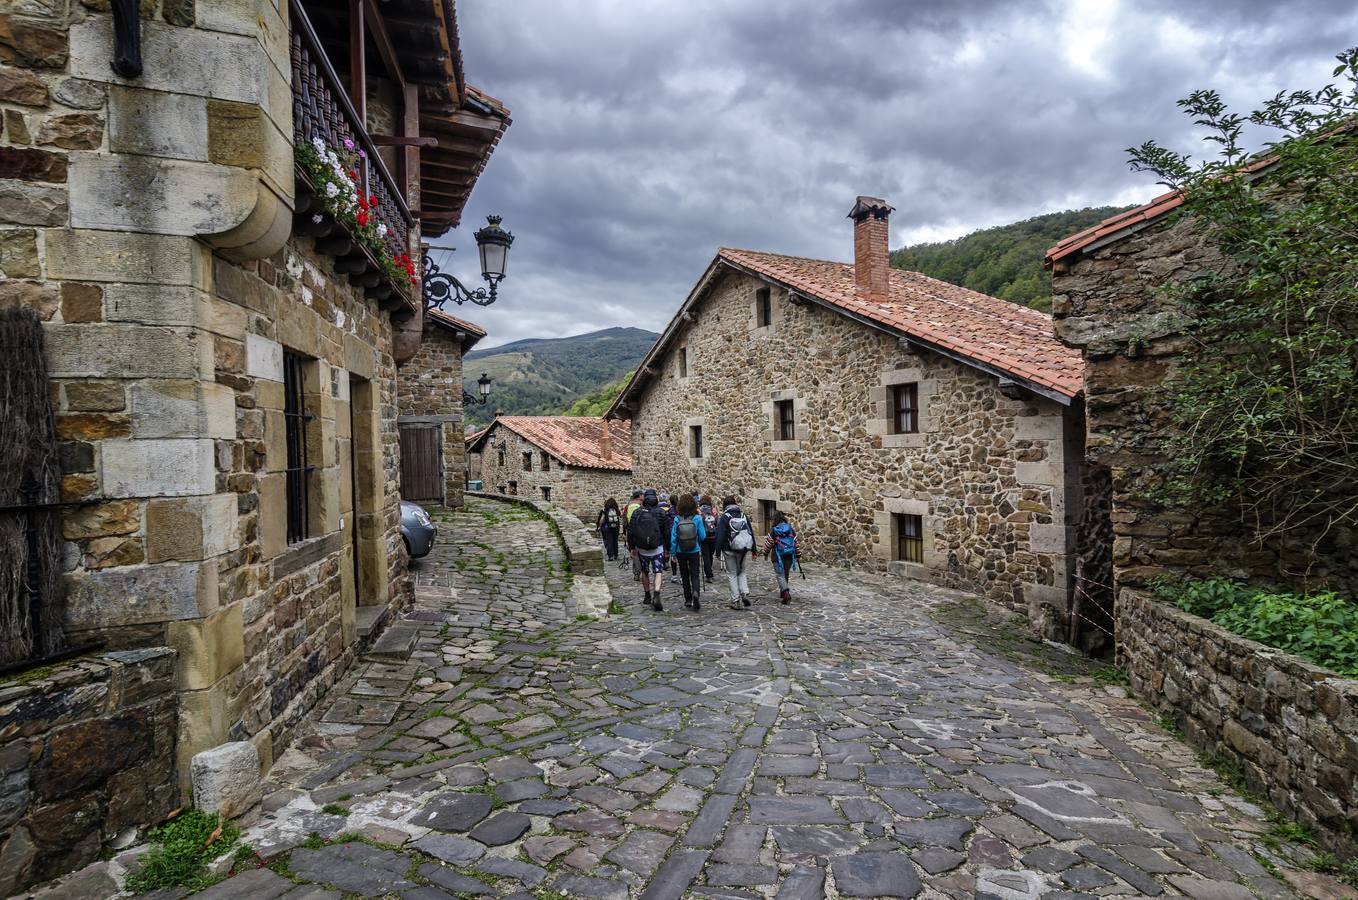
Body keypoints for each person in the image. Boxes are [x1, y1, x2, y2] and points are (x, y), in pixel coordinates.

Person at [714, 495, 756, 609]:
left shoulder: (725, 517)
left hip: (729, 549)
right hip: (742, 549)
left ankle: (735, 600)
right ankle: (745, 593)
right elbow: (750, 532)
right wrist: (754, 549)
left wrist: (717, 551)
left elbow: (720, 535)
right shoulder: (743, 515)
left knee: (732, 574)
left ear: (725, 505)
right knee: (742, 571)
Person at [628, 489, 668, 610]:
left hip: (642, 548)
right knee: (658, 571)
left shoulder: (637, 512)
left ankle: (647, 595)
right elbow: (666, 532)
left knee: (645, 572)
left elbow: (631, 531)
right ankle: (656, 592)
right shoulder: (661, 513)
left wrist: (632, 547)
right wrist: (668, 549)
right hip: (658, 548)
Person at [669, 493, 707, 610]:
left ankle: (688, 599)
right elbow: (703, 536)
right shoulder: (697, 518)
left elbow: (674, 538)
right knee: (695, 575)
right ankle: (696, 592)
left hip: (681, 551)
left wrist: (673, 553)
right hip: (694, 550)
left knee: (684, 575)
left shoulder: (677, 519)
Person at [762, 511, 800, 604]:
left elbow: (769, 543)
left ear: (775, 520)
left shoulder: (774, 530)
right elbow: (796, 542)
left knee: (780, 575)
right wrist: (798, 555)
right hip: (789, 555)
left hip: (777, 556)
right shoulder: (790, 528)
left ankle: (786, 592)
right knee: (785, 574)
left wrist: (765, 554)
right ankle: (783, 592)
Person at [623, 489, 644, 581]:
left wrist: (624, 533)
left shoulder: (627, 506)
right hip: (641, 532)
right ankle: (643, 571)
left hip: (631, 532)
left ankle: (636, 573)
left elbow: (624, 520)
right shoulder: (641, 506)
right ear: (639, 496)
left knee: (635, 553)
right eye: (643, 495)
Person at [698, 494, 719, 582]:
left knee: (706, 555)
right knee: (710, 555)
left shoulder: (699, 511)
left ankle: (709, 575)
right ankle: (709, 571)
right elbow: (717, 523)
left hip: (703, 536)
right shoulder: (713, 511)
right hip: (713, 536)